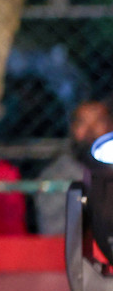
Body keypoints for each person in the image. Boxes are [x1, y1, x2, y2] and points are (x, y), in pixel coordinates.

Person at [37, 99, 113, 236]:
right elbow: (55, 233)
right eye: (82, 122)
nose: (91, 130)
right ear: (72, 129)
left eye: (99, 122)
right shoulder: (56, 175)